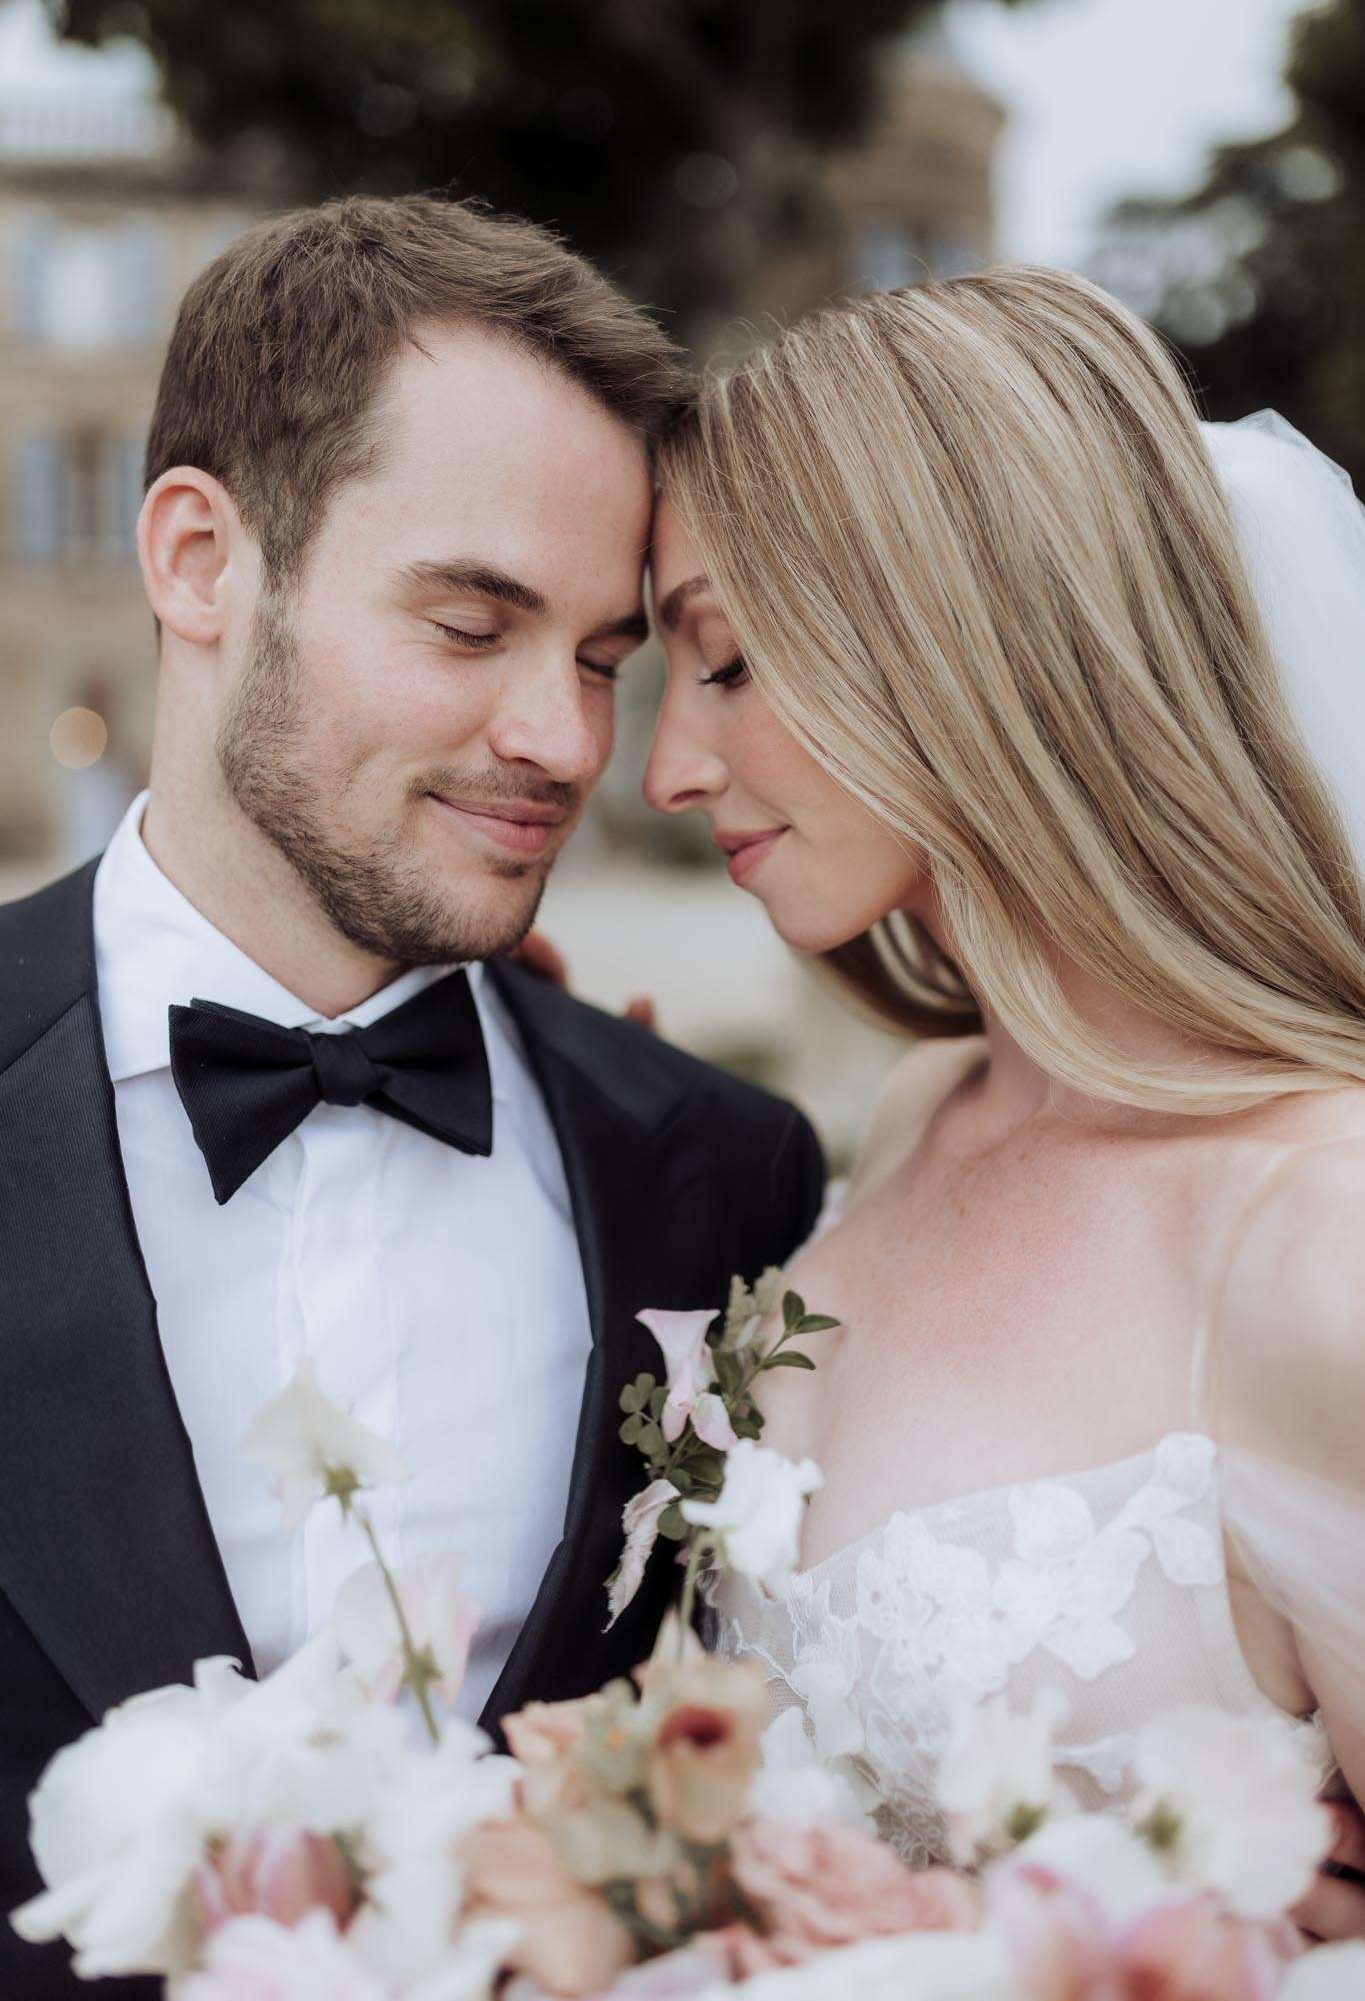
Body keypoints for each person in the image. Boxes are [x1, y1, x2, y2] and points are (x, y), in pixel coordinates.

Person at [0, 194, 824, 1998]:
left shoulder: (720, 1175)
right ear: (203, 560)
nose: (567, 743)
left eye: (602, 658)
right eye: (471, 625)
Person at [644, 265, 1365, 1936]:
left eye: (730, 661)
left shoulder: (1314, 1242)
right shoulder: (913, 1119)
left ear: (965, 636)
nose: (672, 766)